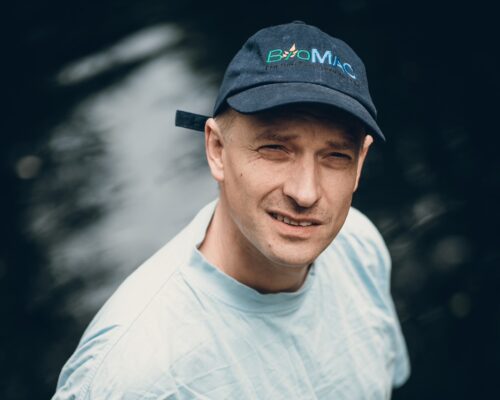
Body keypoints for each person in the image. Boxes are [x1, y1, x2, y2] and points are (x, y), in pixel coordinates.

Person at [53, 21, 410, 399]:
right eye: (275, 148)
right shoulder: (129, 372)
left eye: (336, 156)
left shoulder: (359, 246)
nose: (305, 193)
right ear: (217, 150)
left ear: (360, 163)